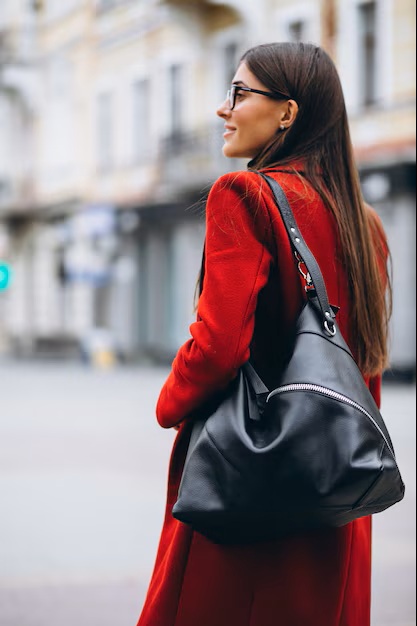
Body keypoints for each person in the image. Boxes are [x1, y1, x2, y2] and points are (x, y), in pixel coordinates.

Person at [136, 42, 391, 626]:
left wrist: (169, 401)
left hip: (249, 484)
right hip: (333, 493)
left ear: (287, 113)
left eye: (239, 93)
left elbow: (218, 345)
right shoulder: (363, 224)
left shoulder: (244, 196)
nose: (223, 110)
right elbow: (363, 369)